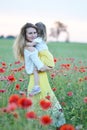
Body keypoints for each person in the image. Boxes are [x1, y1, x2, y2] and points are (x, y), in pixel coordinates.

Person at [13, 22, 66, 130]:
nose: (33, 35)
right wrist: (50, 67)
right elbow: (40, 67)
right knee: (41, 103)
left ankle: (45, 125)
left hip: (42, 78)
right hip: (38, 79)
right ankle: (43, 126)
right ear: (25, 35)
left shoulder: (31, 46)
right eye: (30, 33)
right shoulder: (31, 49)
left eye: (35, 32)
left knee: (46, 102)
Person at [26, 22, 55, 96]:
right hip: (46, 56)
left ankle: (37, 87)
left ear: (38, 31)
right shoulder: (41, 39)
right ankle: (37, 86)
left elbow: (31, 44)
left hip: (44, 56)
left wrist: (22, 43)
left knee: (36, 69)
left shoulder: (38, 39)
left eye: (35, 31)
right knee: (37, 69)